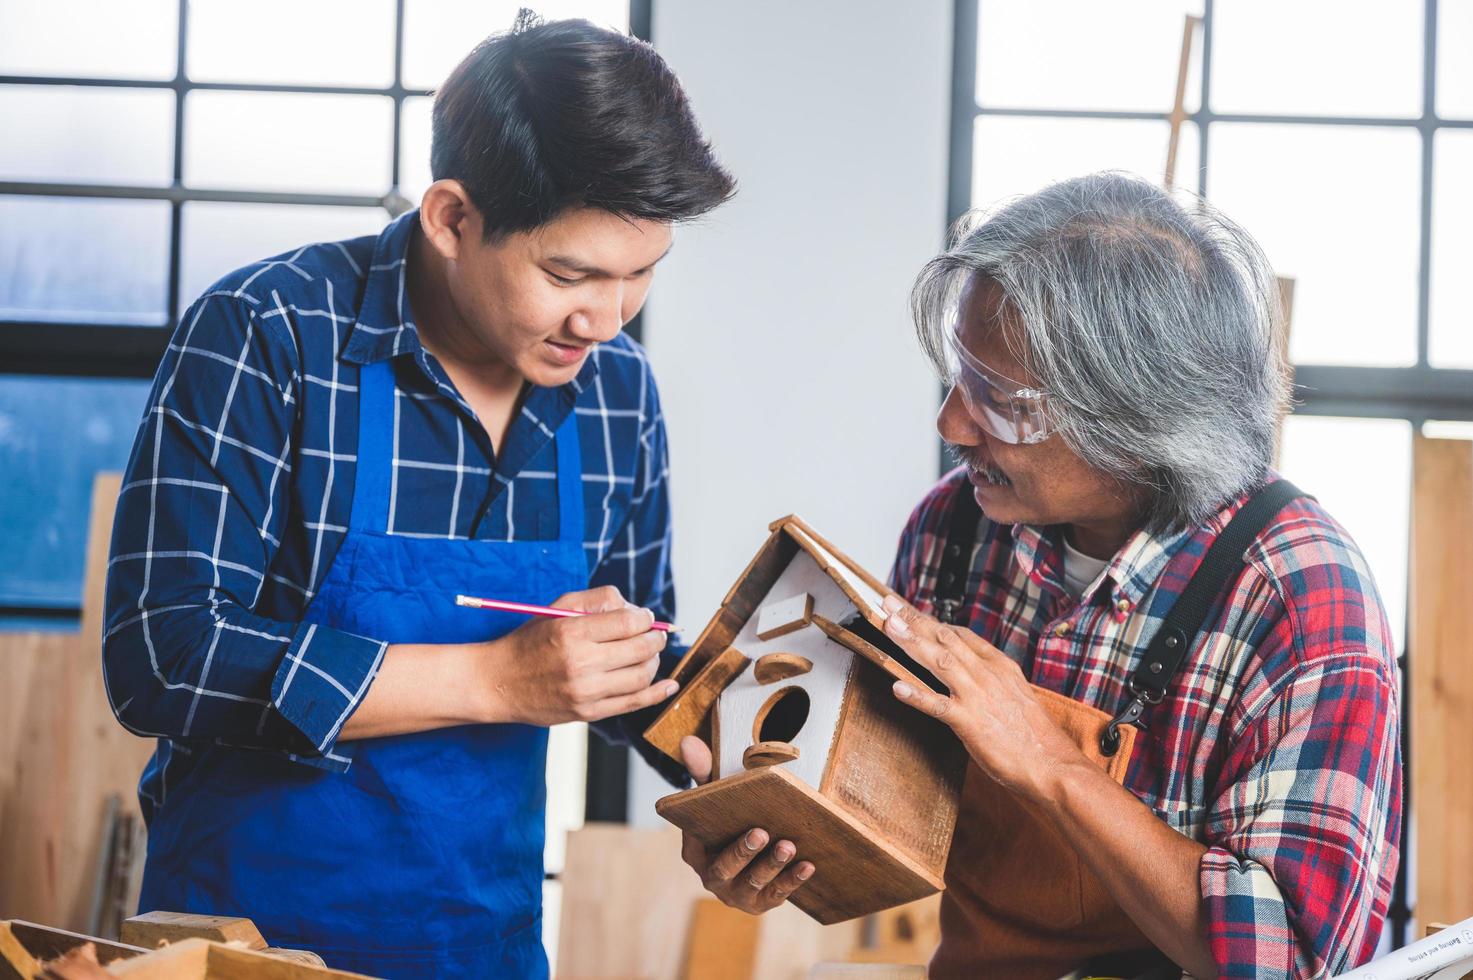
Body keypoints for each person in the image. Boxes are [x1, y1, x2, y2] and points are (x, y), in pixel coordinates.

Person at [103, 13, 732, 976]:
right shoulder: (268, 334)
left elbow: (624, 655)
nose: (604, 319)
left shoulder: (614, 392)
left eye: (640, 274)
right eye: (570, 273)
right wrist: (490, 681)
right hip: (242, 944)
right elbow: (163, 653)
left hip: (484, 947)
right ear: (451, 217)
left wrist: (740, 794)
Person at [678, 173, 1401, 979]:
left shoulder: (1298, 600)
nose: (951, 422)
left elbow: (1292, 962)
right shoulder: (955, 531)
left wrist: (1048, 762)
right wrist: (775, 834)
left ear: (1138, 420)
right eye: (959, 376)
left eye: (1003, 400)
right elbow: (888, 798)